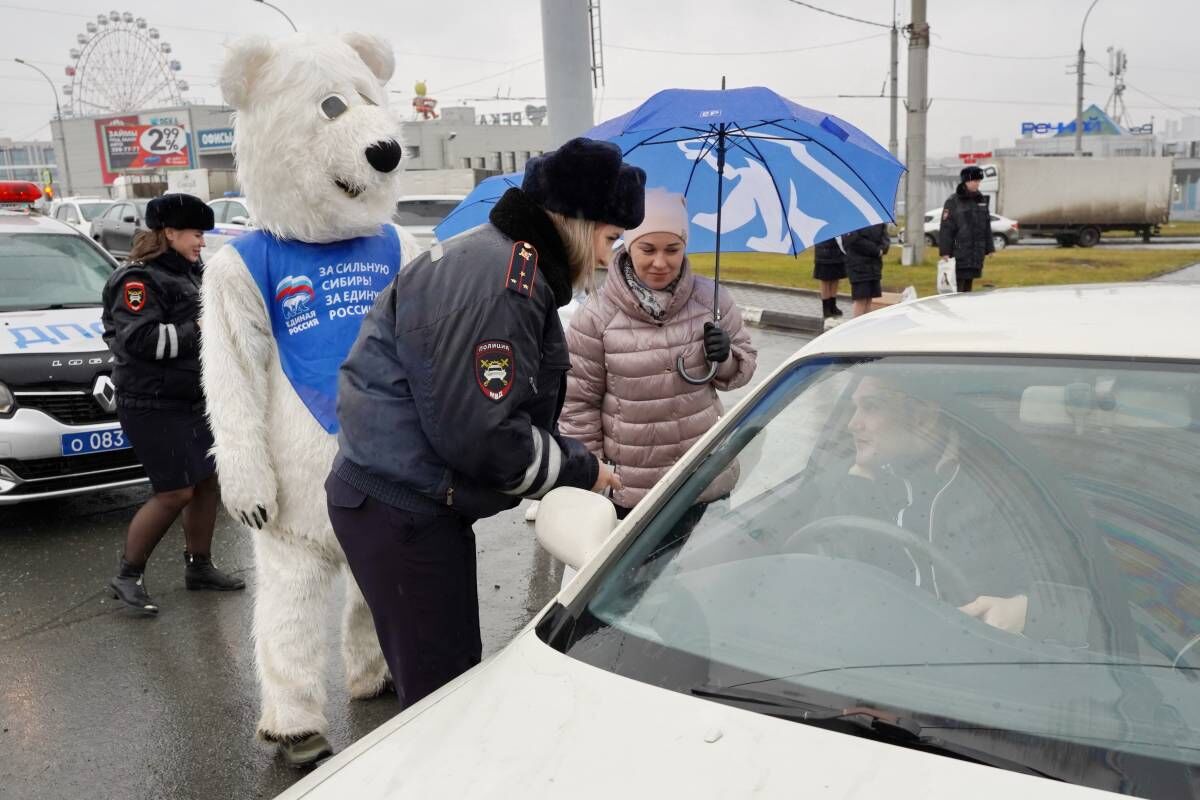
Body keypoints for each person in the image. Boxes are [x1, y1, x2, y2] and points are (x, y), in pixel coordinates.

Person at [326, 137, 641, 708]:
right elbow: (483, 436)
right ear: (575, 221)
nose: (609, 256)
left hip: (398, 498)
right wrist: (583, 469)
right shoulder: (504, 282)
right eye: (610, 237)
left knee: (442, 679)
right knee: (442, 704)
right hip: (402, 511)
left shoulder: (496, 257)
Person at [560, 187, 757, 523]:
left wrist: (724, 357)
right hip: (633, 492)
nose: (660, 262)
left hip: (704, 480)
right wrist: (593, 474)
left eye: (673, 249)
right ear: (629, 244)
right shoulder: (595, 315)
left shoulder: (712, 300)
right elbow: (578, 406)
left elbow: (743, 367)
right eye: (647, 249)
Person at [101, 193, 244, 615]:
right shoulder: (138, 281)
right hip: (150, 402)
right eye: (197, 234)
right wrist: (199, 326)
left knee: (206, 482)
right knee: (174, 490)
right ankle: (127, 575)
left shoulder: (191, 272)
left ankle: (199, 567)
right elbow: (141, 341)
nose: (202, 242)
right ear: (170, 232)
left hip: (191, 398)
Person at [938, 165, 994, 293]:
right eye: (975, 181)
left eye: (979, 181)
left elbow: (986, 226)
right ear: (966, 181)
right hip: (959, 252)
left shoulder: (981, 200)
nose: (977, 184)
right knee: (957, 286)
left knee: (969, 285)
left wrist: (989, 248)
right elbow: (946, 228)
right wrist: (945, 252)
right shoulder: (953, 201)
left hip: (976, 253)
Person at [842, 223, 891, 319]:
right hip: (858, 265)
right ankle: (856, 328)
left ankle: (865, 326)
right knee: (861, 299)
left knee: (869, 298)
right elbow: (853, 240)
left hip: (875, 265)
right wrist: (876, 250)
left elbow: (885, 238)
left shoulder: (879, 220)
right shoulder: (854, 220)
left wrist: (883, 249)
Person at [812, 236, 845, 328]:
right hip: (824, 251)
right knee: (825, 280)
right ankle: (826, 308)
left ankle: (833, 305)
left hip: (837, 252)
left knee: (835, 278)